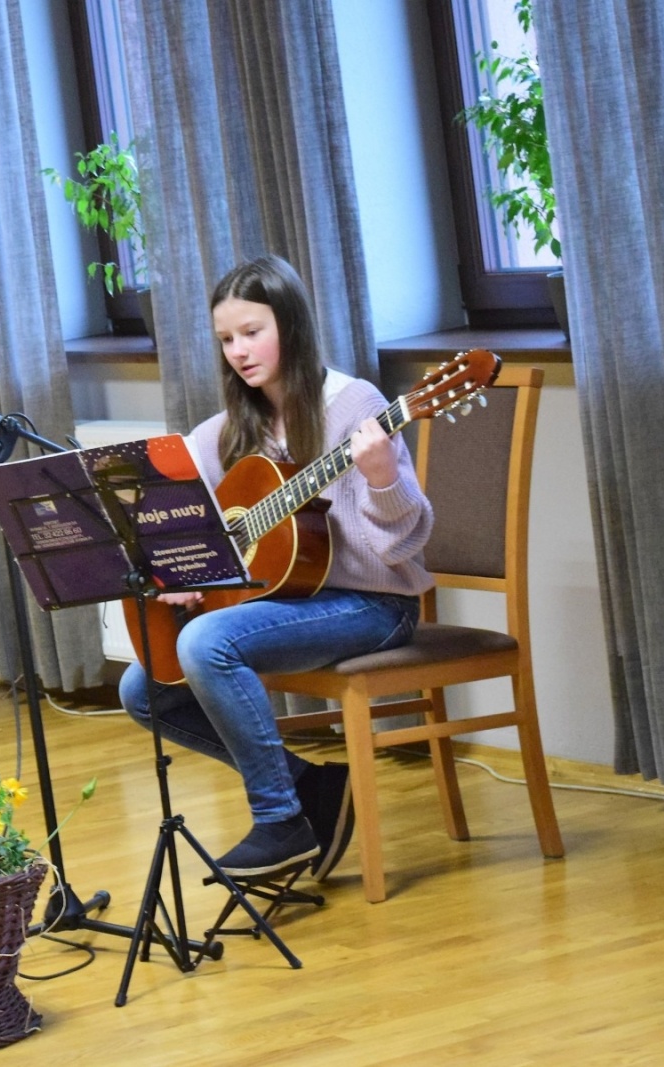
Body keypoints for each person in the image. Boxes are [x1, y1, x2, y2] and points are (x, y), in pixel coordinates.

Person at [118, 255, 434, 880]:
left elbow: (404, 545)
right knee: (143, 690)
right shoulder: (224, 434)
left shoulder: (355, 408)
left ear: (289, 324)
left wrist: (382, 480)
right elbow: (189, 538)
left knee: (208, 643)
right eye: (227, 339)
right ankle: (307, 788)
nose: (239, 350)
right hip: (291, 608)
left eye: (252, 331)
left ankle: (279, 821)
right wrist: (189, 577)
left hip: (374, 606)